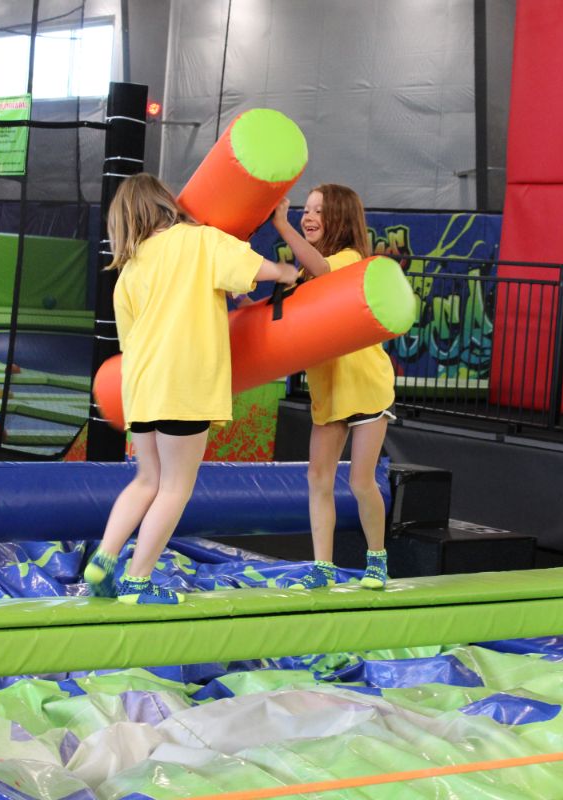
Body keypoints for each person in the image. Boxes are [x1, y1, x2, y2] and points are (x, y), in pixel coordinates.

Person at [84, 174, 299, 604]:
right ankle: (138, 582)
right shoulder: (198, 240)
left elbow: (130, 339)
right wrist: (287, 272)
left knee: (147, 479)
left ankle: (104, 559)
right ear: (166, 203)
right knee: (176, 487)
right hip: (184, 382)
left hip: (142, 385)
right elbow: (258, 269)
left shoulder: (132, 268)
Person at [271, 184, 394, 590]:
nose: (308, 217)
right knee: (318, 478)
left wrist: (282, 227)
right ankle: (322, 565)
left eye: (317, 211)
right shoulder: (307, 273)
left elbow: (323, 270)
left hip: (365, 386)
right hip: (329, 391)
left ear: (338, 219)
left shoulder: (350, 259)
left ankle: (376, 559)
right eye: (305, 210)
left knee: (361, 481)